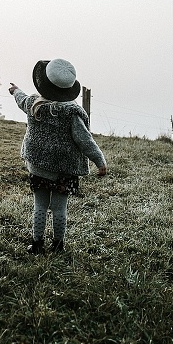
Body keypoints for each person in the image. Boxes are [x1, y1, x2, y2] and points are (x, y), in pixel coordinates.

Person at [9, 59, 107, 255]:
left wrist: (16, 90)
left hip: (38, 166)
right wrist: (99, 161)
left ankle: (37, 245)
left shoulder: (34, 104)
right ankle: (58, 245)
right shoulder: (72, 112)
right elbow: (84, 140)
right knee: (59, 208)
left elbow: (21, 99)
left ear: (43, 83)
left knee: (40, 206)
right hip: (65, 170)